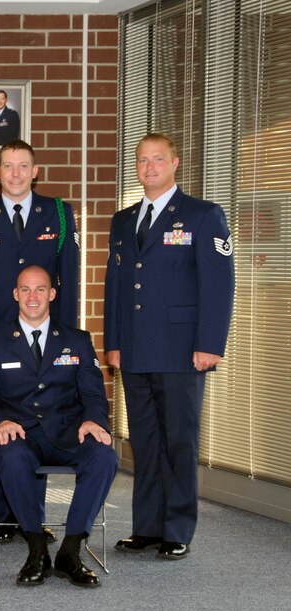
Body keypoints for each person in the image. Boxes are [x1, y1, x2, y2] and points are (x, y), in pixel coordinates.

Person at [105, 133, 234, 560]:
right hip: (137, 351)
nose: (149, 167)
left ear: (175, 163)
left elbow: (218, 286)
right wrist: (114, 342)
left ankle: (177, 528)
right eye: (142, 160)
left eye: (158, 159)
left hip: (183, 351)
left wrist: (210, 344)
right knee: (144, 441)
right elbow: (116, 287)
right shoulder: (124, 221)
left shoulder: (202, 215)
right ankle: (147, 527)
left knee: (179, 440)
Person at [0, 139, 80, 542]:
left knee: (40, 413)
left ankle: (32, 516)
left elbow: (70, 280)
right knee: (3, 417)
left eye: (22, 166)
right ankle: (7, 519)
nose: (14, 173)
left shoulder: (60, 215)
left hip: (45, 331)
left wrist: (67, 337)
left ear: (35, 171)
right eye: (7, 166)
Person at [0, 266, 118, 587]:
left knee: (105, 455)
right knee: (11, 457)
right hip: (17, 433)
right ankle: (36, 547)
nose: (33, 297)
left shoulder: (77, 341)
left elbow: (93, 392)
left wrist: (94, 420)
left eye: (40, 289)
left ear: (52, 294)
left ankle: (71, 548)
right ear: (15, 295)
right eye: (25, 290)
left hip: (67, 431)